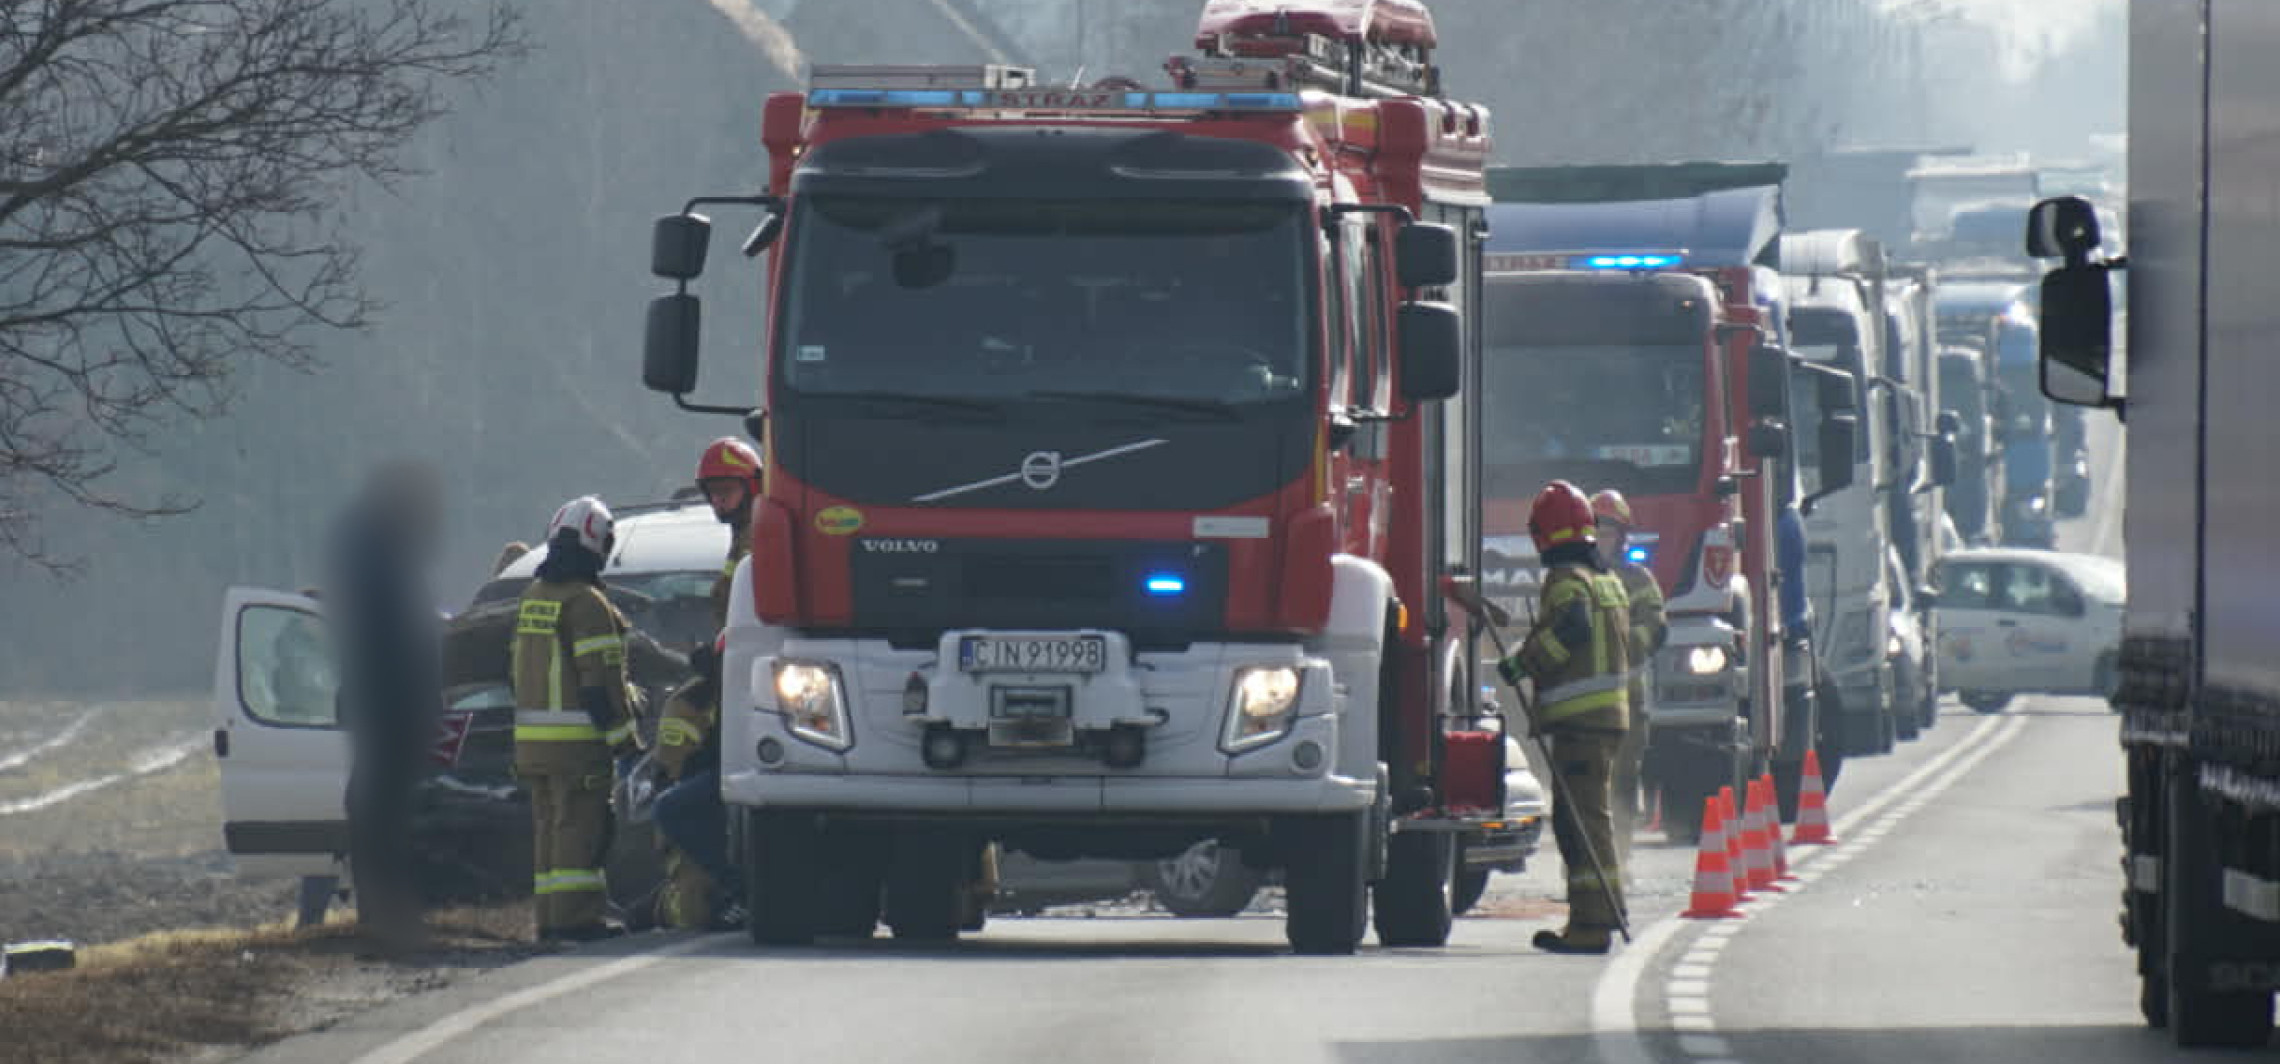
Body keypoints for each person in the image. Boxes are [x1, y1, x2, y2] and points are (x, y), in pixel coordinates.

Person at [1498, 480, 1633, 955]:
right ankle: (1603, 912)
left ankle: (1593, 924)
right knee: (1590, 818)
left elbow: (1570, 629)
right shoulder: (1606, 579)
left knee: (1581, 824)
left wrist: (1524, 663)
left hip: (1583, 723)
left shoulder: (1567, 579)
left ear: (1542, 535)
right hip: (1606, 719)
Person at [511, 496, 643, 942]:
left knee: (549, 827)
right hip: (576, 746)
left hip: (532, 744)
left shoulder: (533, 595)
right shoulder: (587, 603)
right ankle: (575, 921)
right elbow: (598, 684)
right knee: (579, 830)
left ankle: (550, 918)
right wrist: (625, 740)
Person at [327, 460, 445, 953]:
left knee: (376, 807)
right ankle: (387, 909)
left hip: (385, 705)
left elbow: (367, 641)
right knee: (383, 807)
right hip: (393, 708)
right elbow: (400, 645)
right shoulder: (390, 567)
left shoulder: (378, 562)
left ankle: (384, 908)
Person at [1592, 489, 1667, 880]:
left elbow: (1656, 627)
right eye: (1597, 531)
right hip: (1583, 707)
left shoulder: (1638, 580)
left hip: (1627, 703)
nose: (1602, 539)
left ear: (1622, 538)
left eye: (1609, 532)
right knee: (1588, 785)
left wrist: (1621, 645)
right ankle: (1593, 859)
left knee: (1621, 782)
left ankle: (1618, 858)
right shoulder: (1576, 578)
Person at [650, 635, 746, 931]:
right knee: (696, 912)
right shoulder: (692, 703)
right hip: (721, 793)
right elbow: (675, 771)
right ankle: (737, 887)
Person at [695, 437, 762, 629]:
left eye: (726, 490)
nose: (718, 500)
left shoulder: (758, 537)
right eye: (712, 492)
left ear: (752, 487)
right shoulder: (742, 536)